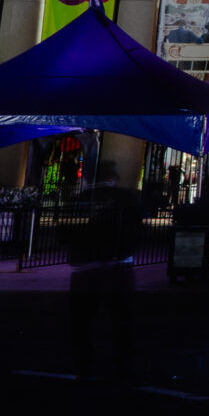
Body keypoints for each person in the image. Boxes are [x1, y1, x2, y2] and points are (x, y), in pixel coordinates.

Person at [68, 160, 145, 379]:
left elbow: (66, 231)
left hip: (85, 268)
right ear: (114, 177)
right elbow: (137, 228)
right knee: (121, 319)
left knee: (82, 321)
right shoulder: (127, 198)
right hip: (118, 265)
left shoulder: (82, 198)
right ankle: (123, 363)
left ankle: (84, 363)